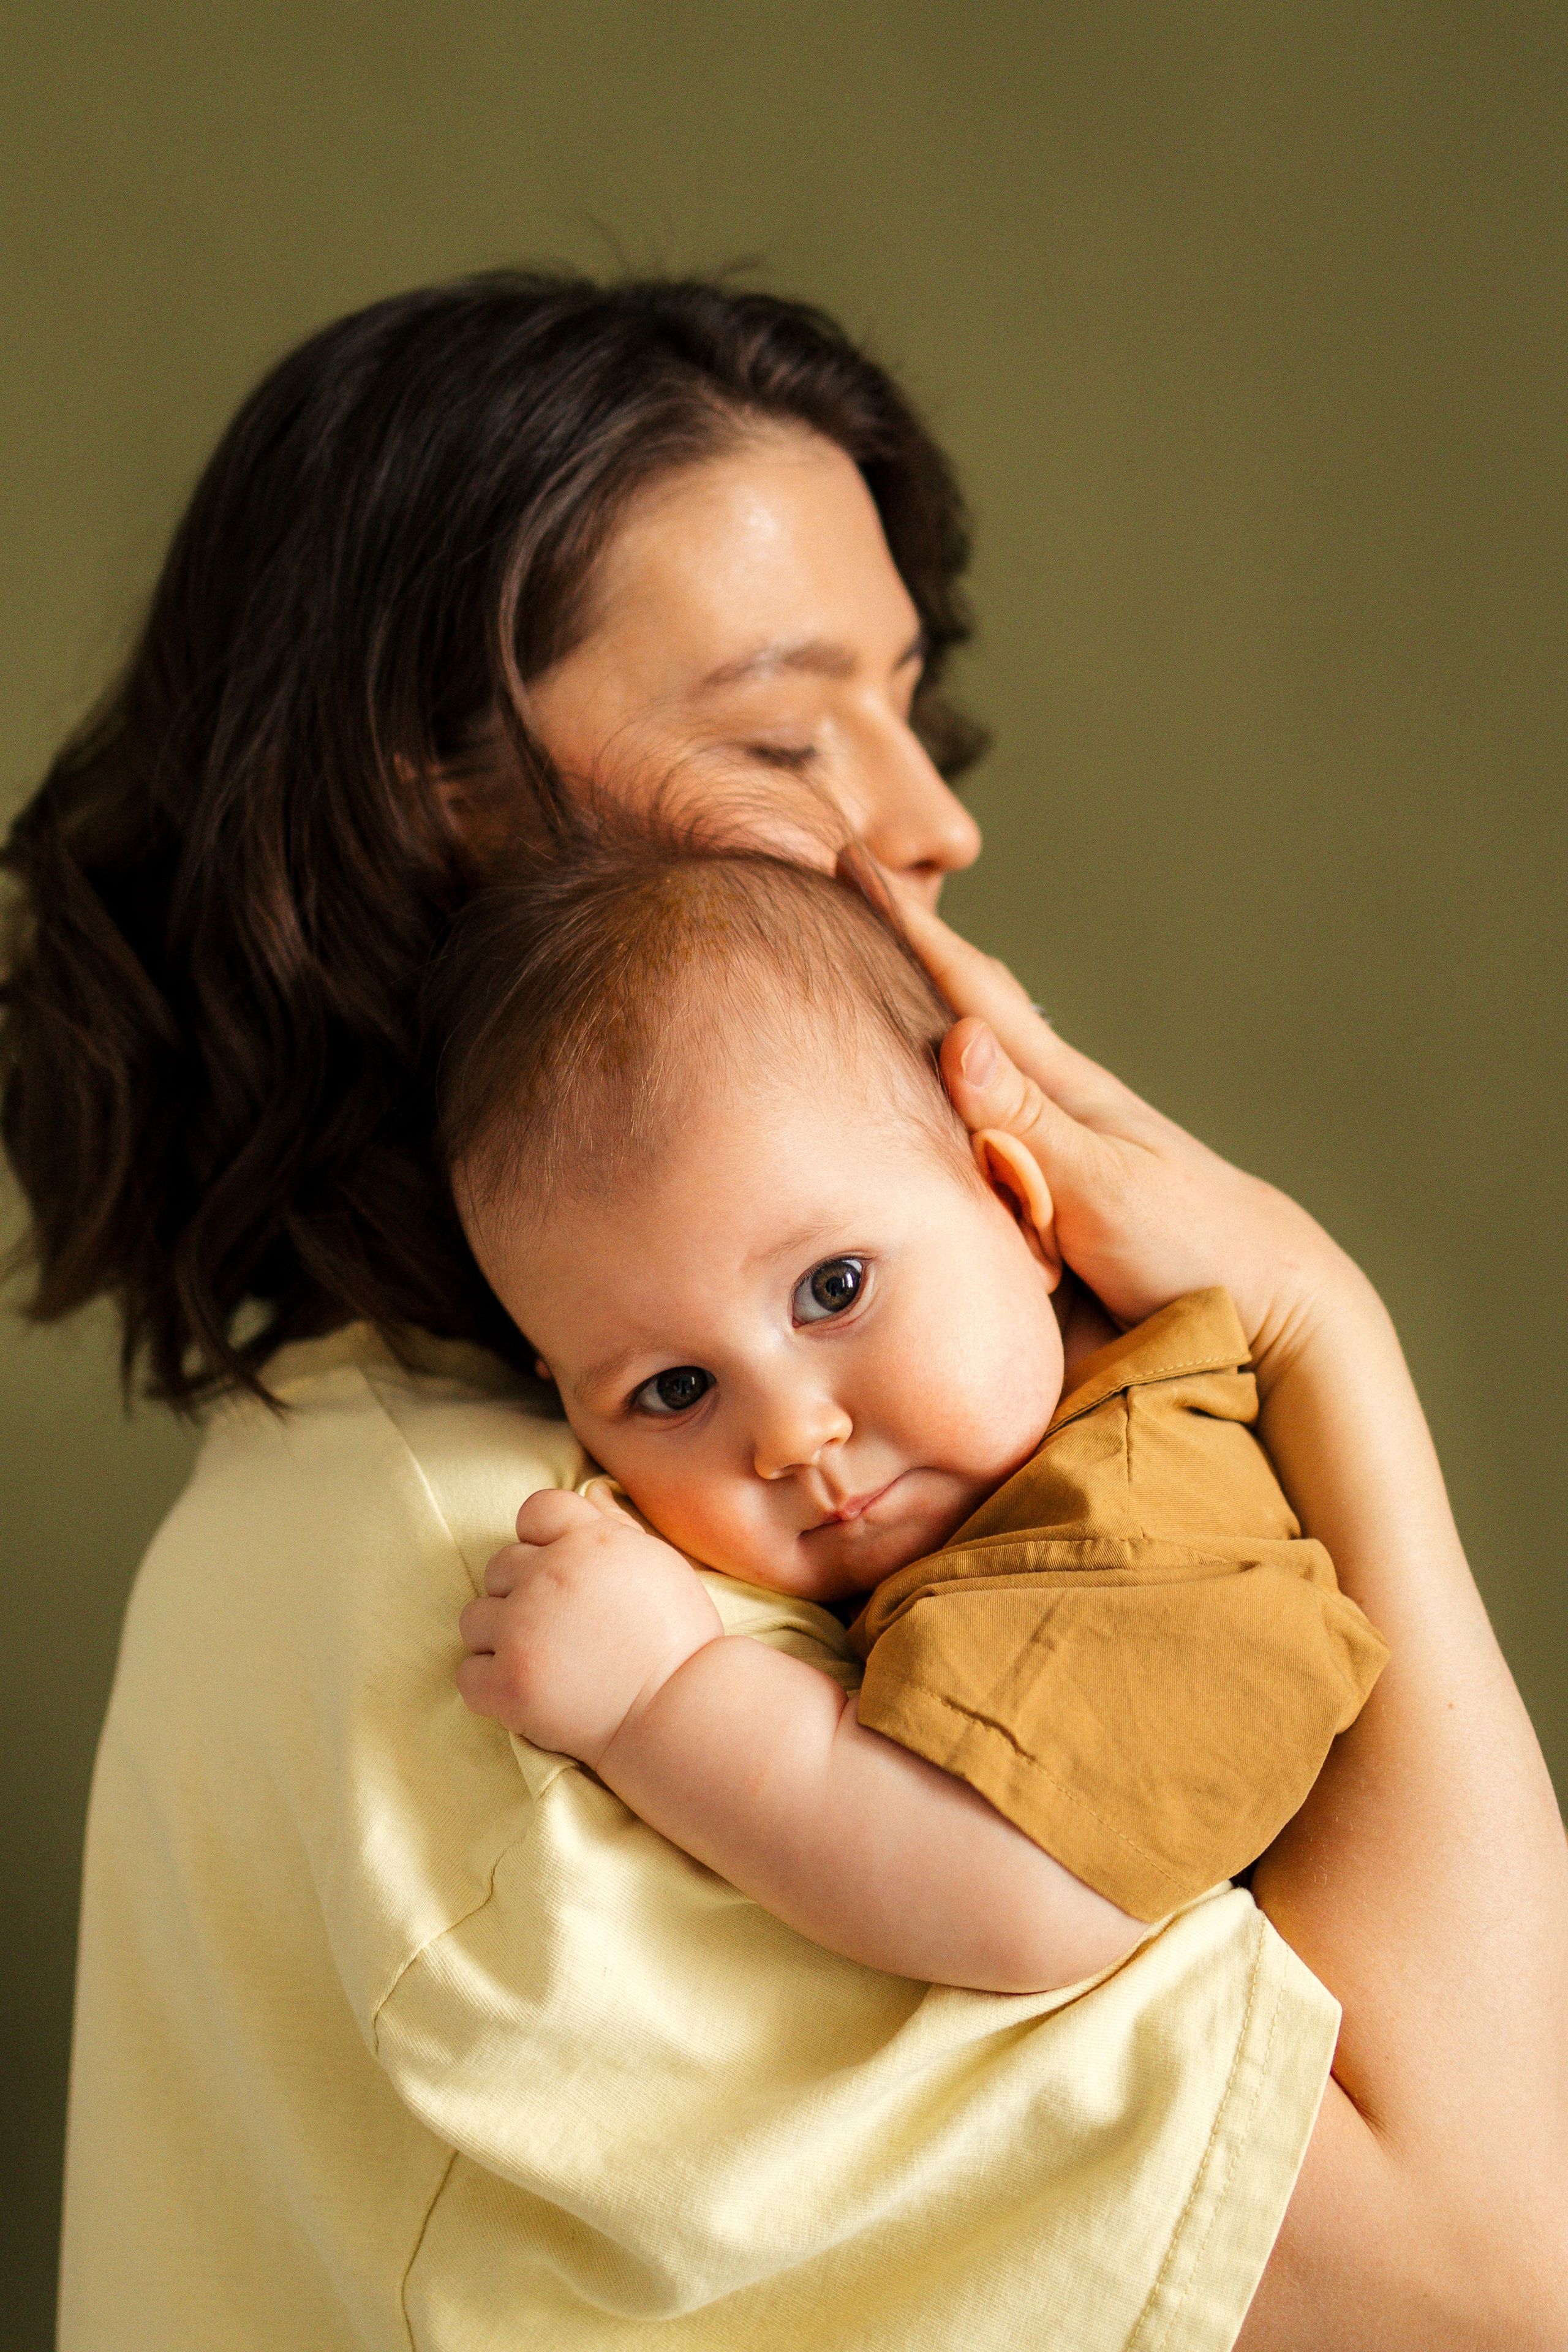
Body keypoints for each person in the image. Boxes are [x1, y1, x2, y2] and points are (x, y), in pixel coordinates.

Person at [3, 272, 1563, 2350]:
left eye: (907, 700)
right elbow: (1491, 2278)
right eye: (779, 736)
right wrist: (1314, 1323)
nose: (935, 823)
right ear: (427, 803)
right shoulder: (538, 1612)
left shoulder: (472, 1479)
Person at [432, 809, 1387, 1980]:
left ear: (1019, 1209)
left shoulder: (1139, 1525)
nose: (793, 1434)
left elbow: (1021, 1899)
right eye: (674, 1388)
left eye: (832, 1290)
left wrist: (659, 1700)